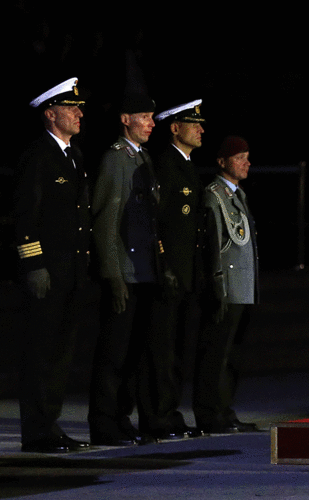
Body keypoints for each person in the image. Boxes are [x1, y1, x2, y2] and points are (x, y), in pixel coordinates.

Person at [14, 77, 92, 453]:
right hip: (49, 271)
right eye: (71, 107)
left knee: (61, 352)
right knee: (41, 352)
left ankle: (51, 422)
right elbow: (25, 216)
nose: (79, 113)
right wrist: (34, 264)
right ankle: (37, 429)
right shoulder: (38, 156)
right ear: (50, 113)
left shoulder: (73, 156)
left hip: (71, 271)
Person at [88, 92, 163, 446]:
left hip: (144, 270)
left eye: (151, 117)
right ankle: (104, 422)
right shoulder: (115, 160)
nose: (150, 123)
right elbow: (105, 222)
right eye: (144, 117)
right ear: (125, 119)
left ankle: (122, 418)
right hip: (125, 270)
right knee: (113, 353)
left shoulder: (144, 159)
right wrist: (113, 274)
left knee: (133, 353)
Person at [139, 100, 207, 440]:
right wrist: (163, 265)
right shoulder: (165, 165)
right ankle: (156, 415)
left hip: (185, 274)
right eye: (194, 123)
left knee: (178, 348)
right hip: (167, 273)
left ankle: (170, 411)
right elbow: (156, 222)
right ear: (175, 128)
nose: (201, 129)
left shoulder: (188, 167)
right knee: (161, 348)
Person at [193, 136, 259, 434]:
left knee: (233, 356)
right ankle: (210, 413)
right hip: (227, 287)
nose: (246, 162)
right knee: (216, 354)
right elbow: (213, 245)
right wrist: (218, 286)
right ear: (222, 162)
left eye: (247, 156)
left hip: (243, 288)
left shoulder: (237, 195)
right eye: (239, 157)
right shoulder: (213, 194)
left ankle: (225, 410)